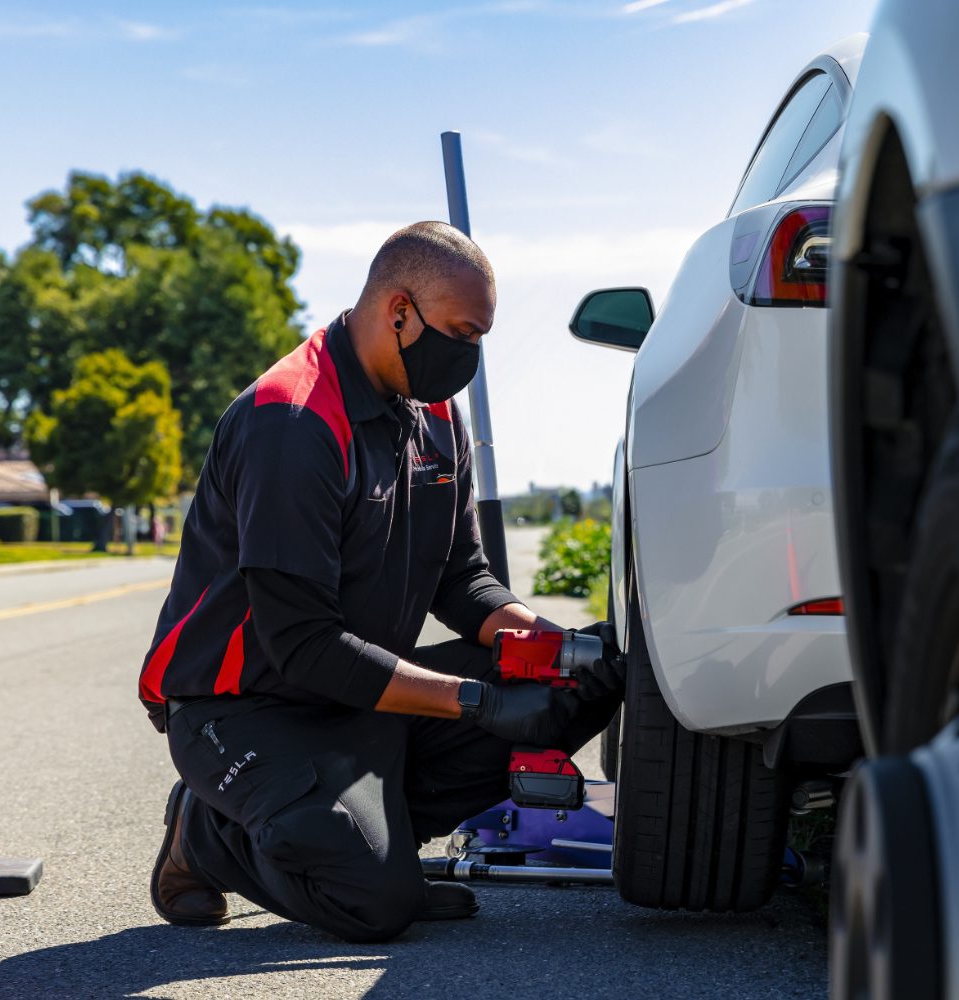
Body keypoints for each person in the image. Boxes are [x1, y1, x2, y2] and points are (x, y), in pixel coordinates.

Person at [137, 222, 622, 943]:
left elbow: (463, 578)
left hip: (360, 694)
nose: (470, 358)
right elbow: (303, 646)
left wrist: (551, 646)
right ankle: (206, 833)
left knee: (584, 676)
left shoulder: (433, 414)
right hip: (247, 710)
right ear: (399, 311)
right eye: (461, 334)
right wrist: (478, 701)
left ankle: (367, 839)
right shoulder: (293, 422)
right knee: (376, 902)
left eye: (480, 337)